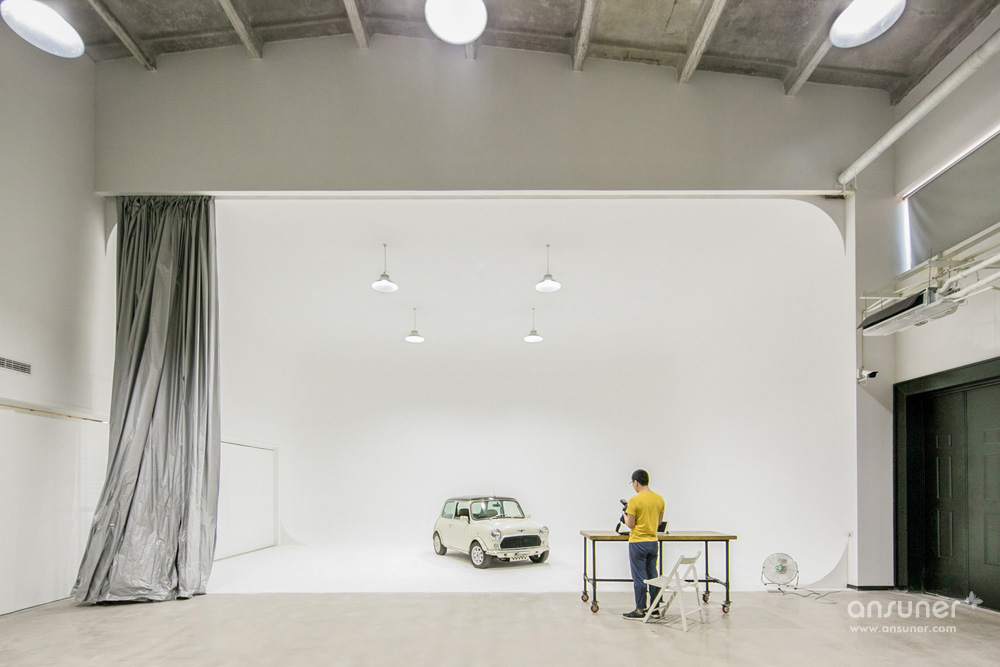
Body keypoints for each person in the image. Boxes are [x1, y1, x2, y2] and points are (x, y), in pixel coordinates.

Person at [622, 469, 665, 620]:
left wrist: (625, 516)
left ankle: (640, 610)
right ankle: (655, 609)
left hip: (638, 542)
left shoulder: (634, 500)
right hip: (653, 542)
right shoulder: (659, 499)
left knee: (639, 577)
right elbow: (659, 522)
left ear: (636, 482)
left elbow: (630, 524)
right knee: (653, 575)